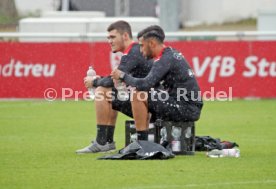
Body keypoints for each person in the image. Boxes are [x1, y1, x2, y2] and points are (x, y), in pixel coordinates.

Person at [111, 25, 203, 139]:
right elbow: (151, 84)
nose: (140, 50)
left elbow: (145, 84)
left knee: (139, 95)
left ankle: (142, 143)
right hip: (185, 105)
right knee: (131, 97)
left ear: (152, 44)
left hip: (186, 108)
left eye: (142, 46)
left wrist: (122, 75)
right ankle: (146, 138)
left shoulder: (165, 59)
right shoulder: (168, 55)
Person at [76, 20, 152, 153]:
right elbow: (115, 80)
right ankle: (108, 142)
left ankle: (102, 142)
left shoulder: (132, 53)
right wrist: (99, 80)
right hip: (149, 101)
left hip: (148, 105)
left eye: (112, 37)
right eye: (108, 38)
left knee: (102, 91)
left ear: (125, 36)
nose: (109, 41)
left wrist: (94, 82)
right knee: (110, 91)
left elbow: (112, 81)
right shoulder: (134, 51)